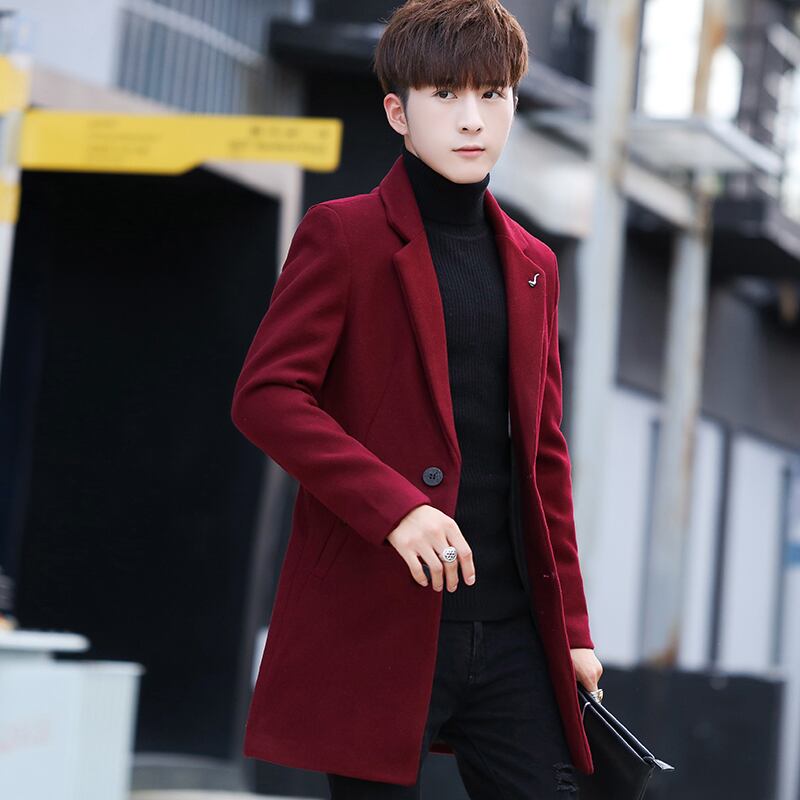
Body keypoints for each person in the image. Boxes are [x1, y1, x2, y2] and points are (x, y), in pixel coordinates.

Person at [231, 1, 603, 797]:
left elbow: (544, 456)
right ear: (399, 113)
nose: (472, 119)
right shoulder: (345, 235)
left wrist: (572, 628)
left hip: (512, 632)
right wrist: (397, 508)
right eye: (445, 95)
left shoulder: (534, 264)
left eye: (492, 94)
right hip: (378, 622)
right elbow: (267, 395)